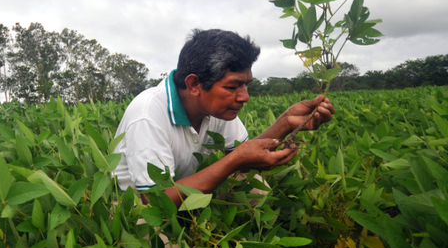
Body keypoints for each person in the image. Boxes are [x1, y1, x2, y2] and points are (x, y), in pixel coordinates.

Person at [112, 29, 335, 208]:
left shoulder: (215, 108)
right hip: (140, 205)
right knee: (167, 246)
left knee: (255, 189)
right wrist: (234, 161)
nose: (245, 97)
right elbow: (156, 201)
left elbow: (243, 152)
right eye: (232, 86)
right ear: (194, 85)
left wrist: (286, 121)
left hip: (191, 192)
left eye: (246, 84)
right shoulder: (148, 114)